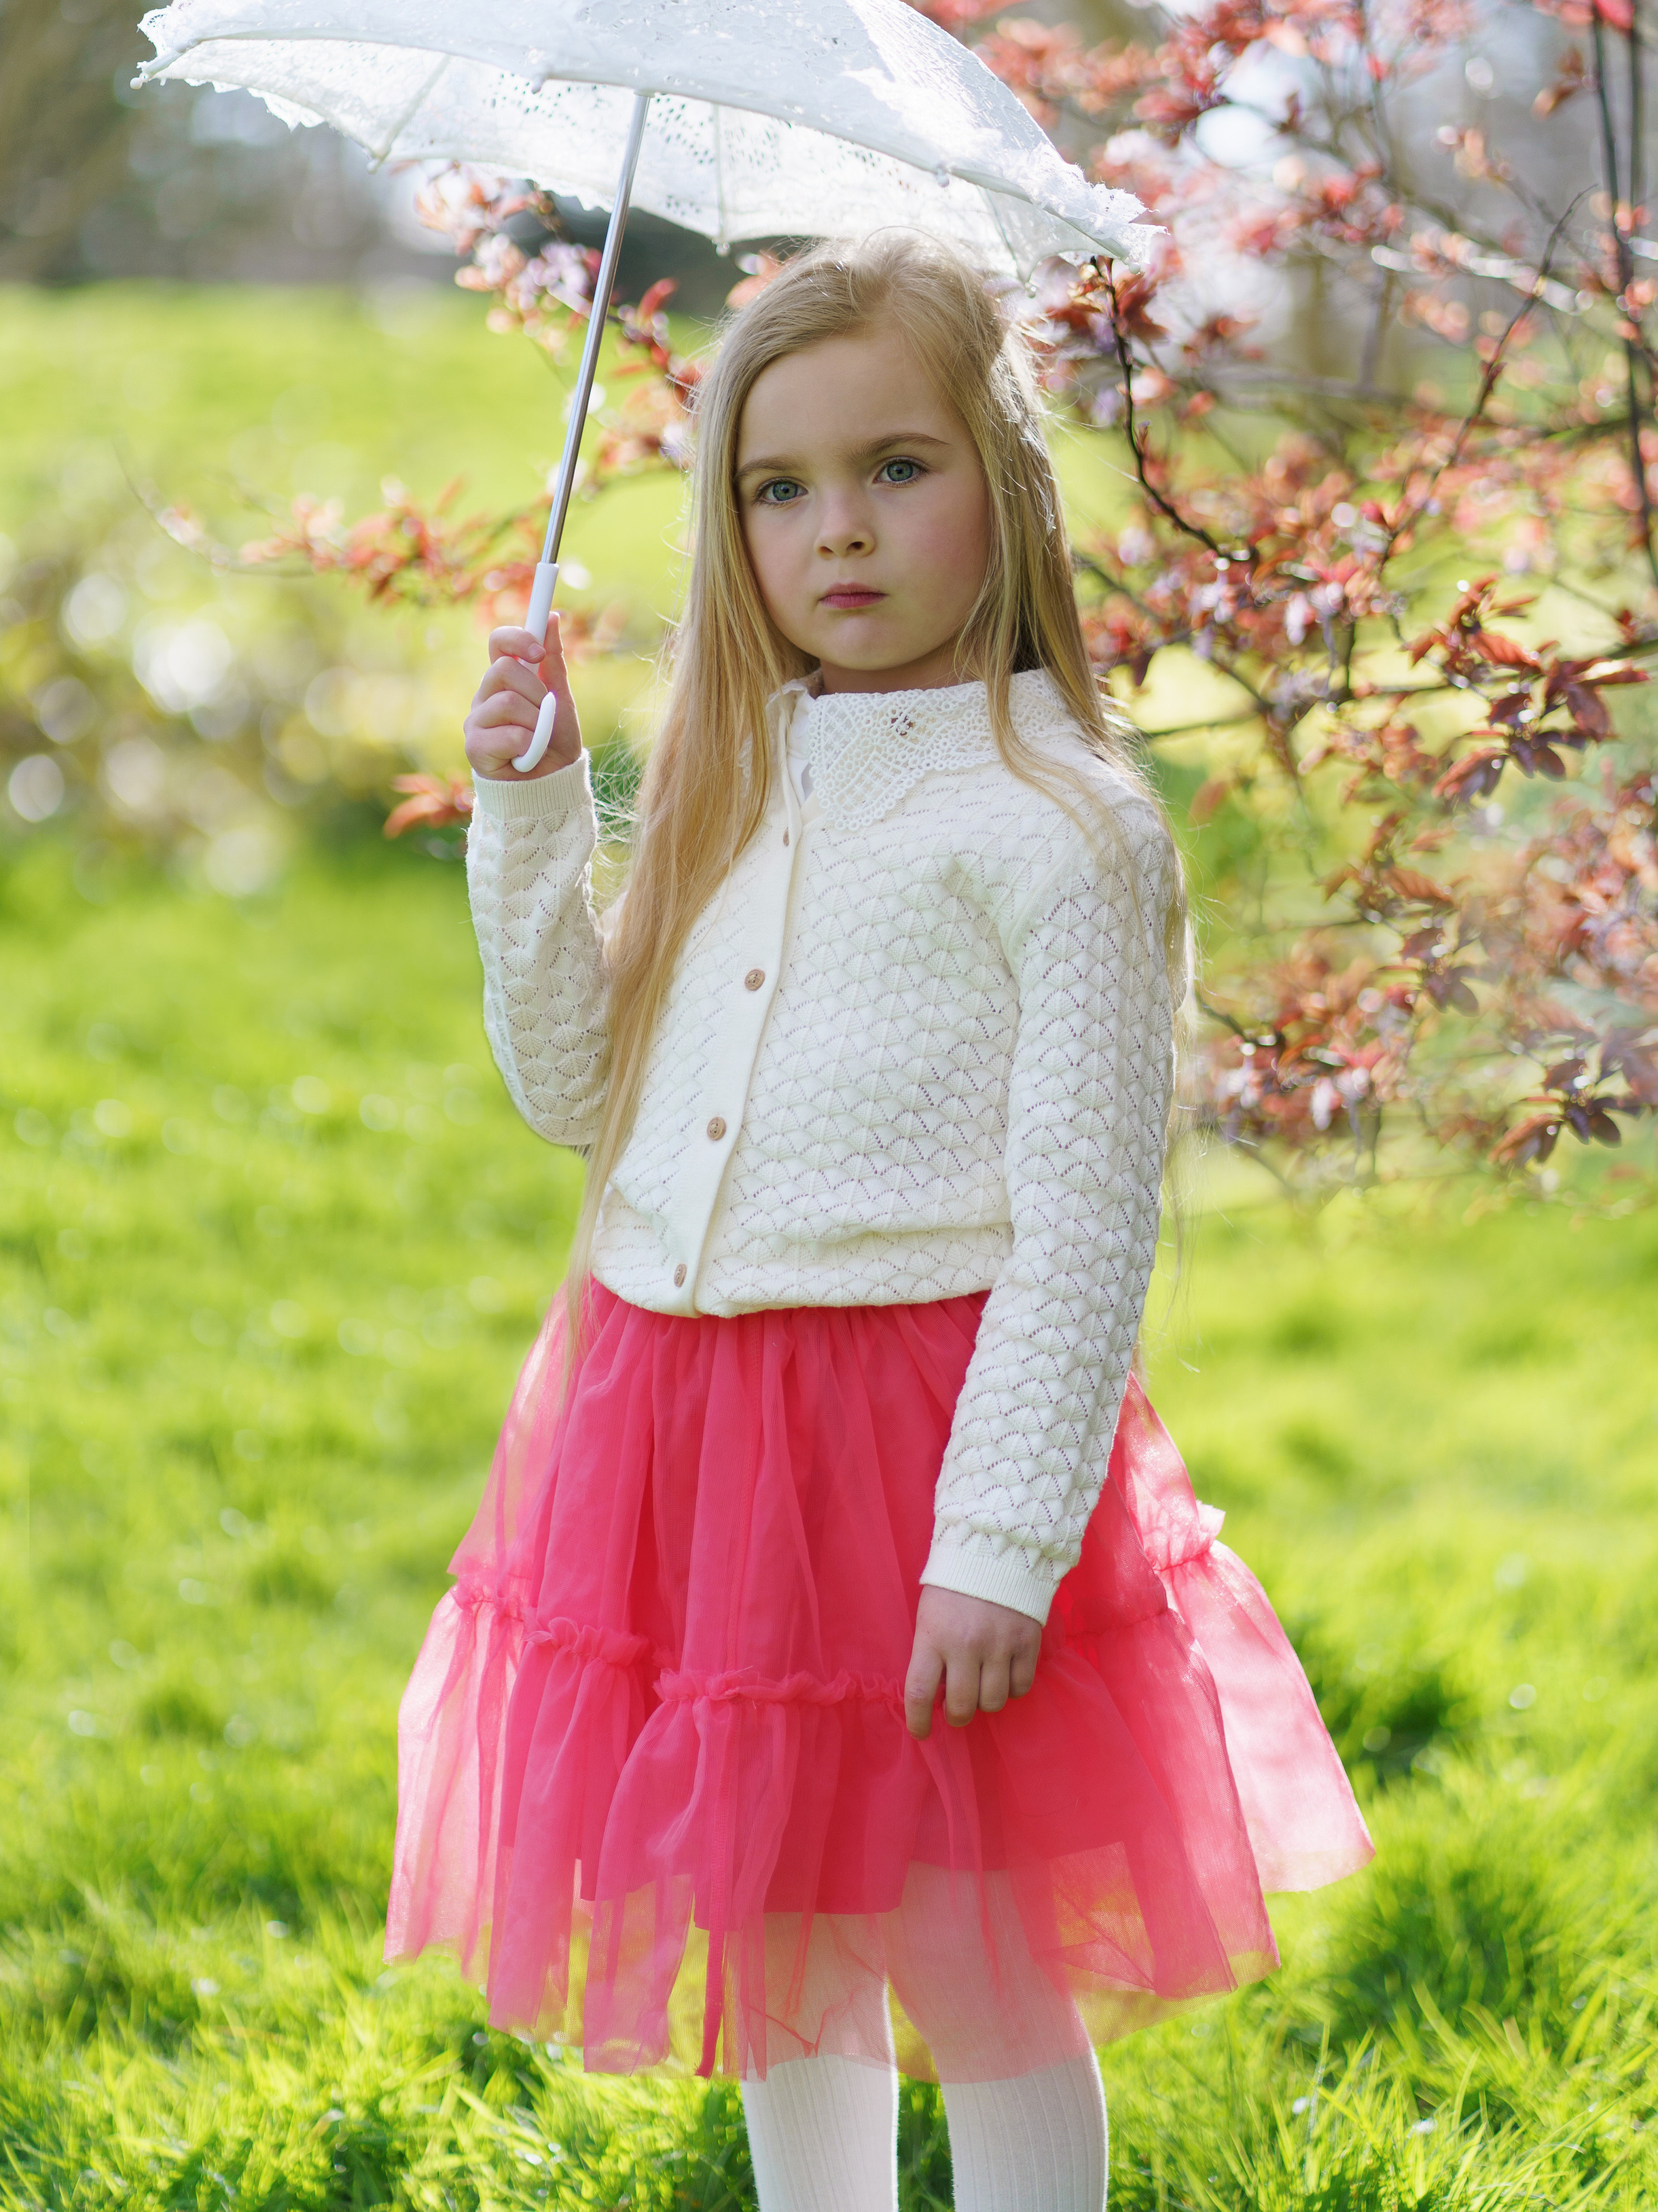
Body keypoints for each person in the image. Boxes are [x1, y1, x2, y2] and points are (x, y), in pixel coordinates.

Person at [386, 236, 1372, 2212]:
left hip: (913, 1450)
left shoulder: (1062, 825)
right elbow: (577, 1092)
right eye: (781, 487)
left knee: (973, 1947)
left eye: (896, 468)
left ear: (1001, 486)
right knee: (782, 1933)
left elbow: (1087, 1228)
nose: (836, 527)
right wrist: (534, 810)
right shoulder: (734, 777)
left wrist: (998, 1546)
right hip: (685, 1435)